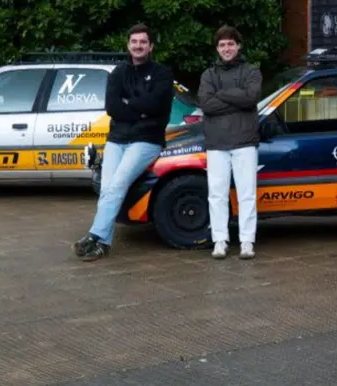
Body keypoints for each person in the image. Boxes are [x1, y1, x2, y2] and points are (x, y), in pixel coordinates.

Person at [74, 24, 174, 261]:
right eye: (134, 42)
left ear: (151, 46)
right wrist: (138, 109)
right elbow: (113, 107)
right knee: (108, 189)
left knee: (117, 184)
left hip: (146, 141)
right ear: (128, 45)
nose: (138, 46)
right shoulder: (118, 73)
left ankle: (94, 235)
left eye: (143, 42)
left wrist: (130, 105)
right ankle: (102, 245)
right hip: (117, 140)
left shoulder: (162, 74)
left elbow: (156, 106)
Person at [198, 26, 263, 260]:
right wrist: (237, 97)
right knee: (216, 194)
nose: (227, 48)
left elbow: (251, 97)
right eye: (222, 45)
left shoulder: (252, 71)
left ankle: (247, 241)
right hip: (216, 143)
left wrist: (222, 94)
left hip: (245, 141)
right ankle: (220, 240)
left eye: (231, 44)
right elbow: (206, 104)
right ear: (217, 49)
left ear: (238, 46)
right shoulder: (208, 74)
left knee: (247, 194)